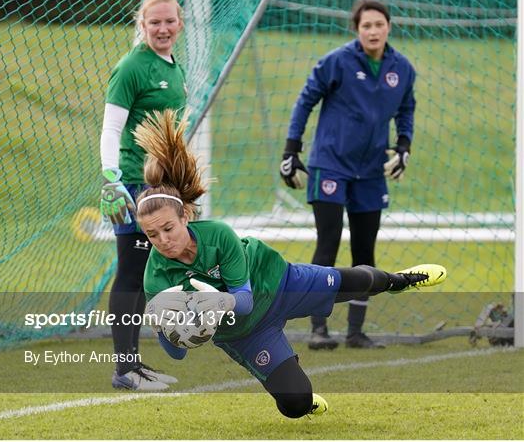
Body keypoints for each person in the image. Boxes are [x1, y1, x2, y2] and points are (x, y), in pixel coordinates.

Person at [133, 109, 446, 418]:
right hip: (245, 334)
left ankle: (398, 281)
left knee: (360, 283)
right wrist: (163, 326)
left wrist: (215, 302)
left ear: (185, 216)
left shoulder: (218, 235)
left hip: (279, 283)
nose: (162, 240)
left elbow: (243, 300)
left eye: (168, 228)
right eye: (152, 234)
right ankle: (299, 389)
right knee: (295, 405)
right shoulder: (156, 278)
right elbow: (178, 353)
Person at [279, 0, 416, 350]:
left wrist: (403, 147)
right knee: (327, 244)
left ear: (389, 27)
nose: (373, 31)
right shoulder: (337, 61)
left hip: (371, 172)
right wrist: (290, 150)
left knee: (365, 252)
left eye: (378, 24)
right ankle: (318, 329)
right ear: (356, 30)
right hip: (330, 165)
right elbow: (305, 100)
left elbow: (406, 110)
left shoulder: (402, 68)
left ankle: (355, 332)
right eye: (366, 25)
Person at [99, 0, 187, 390]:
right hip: (135, 185)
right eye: (155, 23)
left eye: (169, 22)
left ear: (180, 24)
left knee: (146, 272)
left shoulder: (173, 65)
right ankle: (123, 370)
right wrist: (112, 180)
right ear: (142, 25)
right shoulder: (132, 67)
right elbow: (111, 129)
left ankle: (133, 364)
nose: (163, 28)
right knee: (132, 272)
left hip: (161, 185)